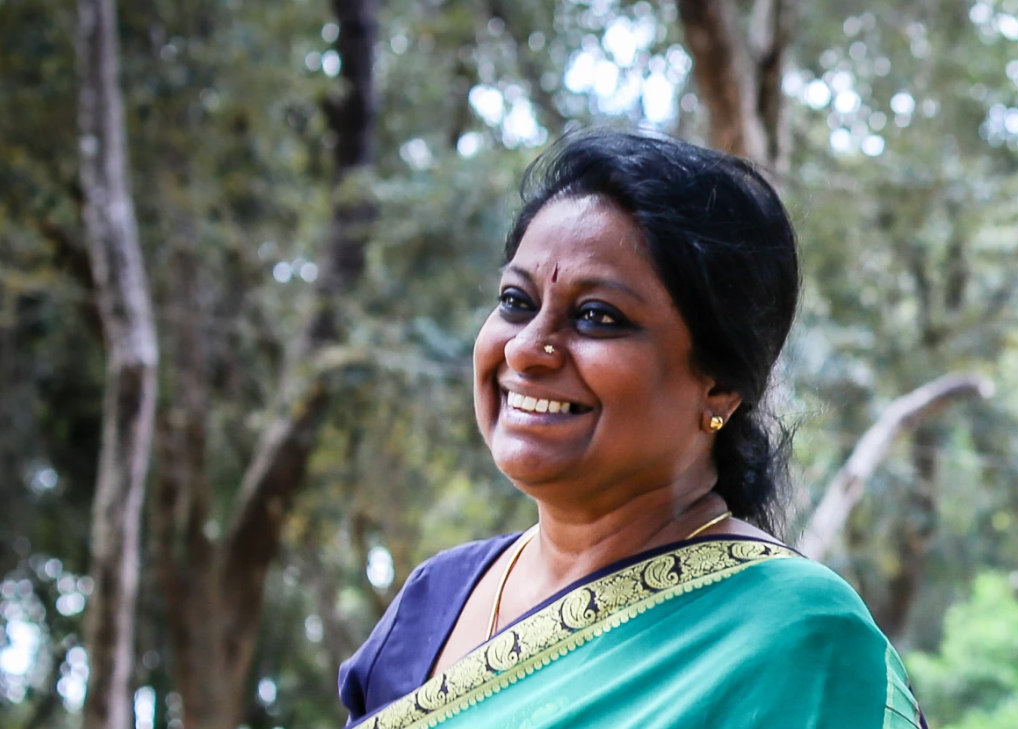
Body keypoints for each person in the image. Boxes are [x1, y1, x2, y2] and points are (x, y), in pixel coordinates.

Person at [338, 130, 926, 729]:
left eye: (597, 317)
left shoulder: (798, 640)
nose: (525, 349)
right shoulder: (435, 600)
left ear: (719, 386)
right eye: (516, 301)